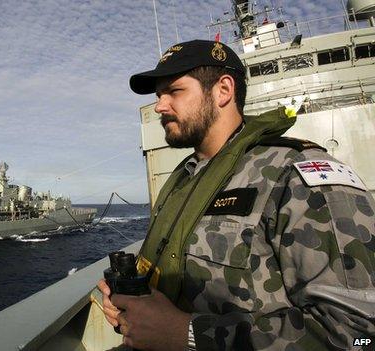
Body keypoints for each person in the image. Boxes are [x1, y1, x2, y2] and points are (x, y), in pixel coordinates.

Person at [97, 39, 375, 350]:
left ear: (223, 91)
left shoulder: (297, 176)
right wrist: (136, 309)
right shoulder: (182, 179)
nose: (160, 105)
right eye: (159, 95)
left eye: (174, 91)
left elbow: (358, 335)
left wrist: (186, 333)